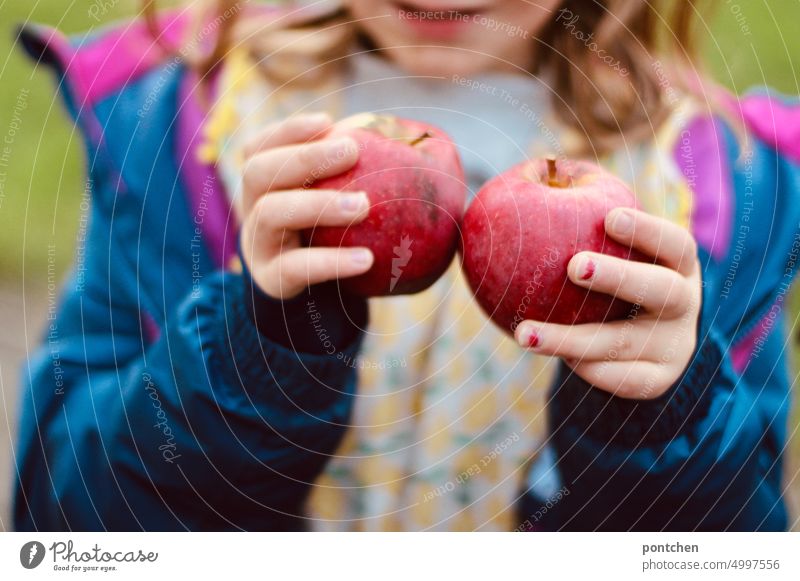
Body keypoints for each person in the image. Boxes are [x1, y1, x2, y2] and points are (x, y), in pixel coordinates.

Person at [14, 0, 800, 531]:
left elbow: (738, 537)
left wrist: (656, 418)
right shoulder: (194, 132)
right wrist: (257, 350)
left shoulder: (706, 190)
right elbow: (64, 508)